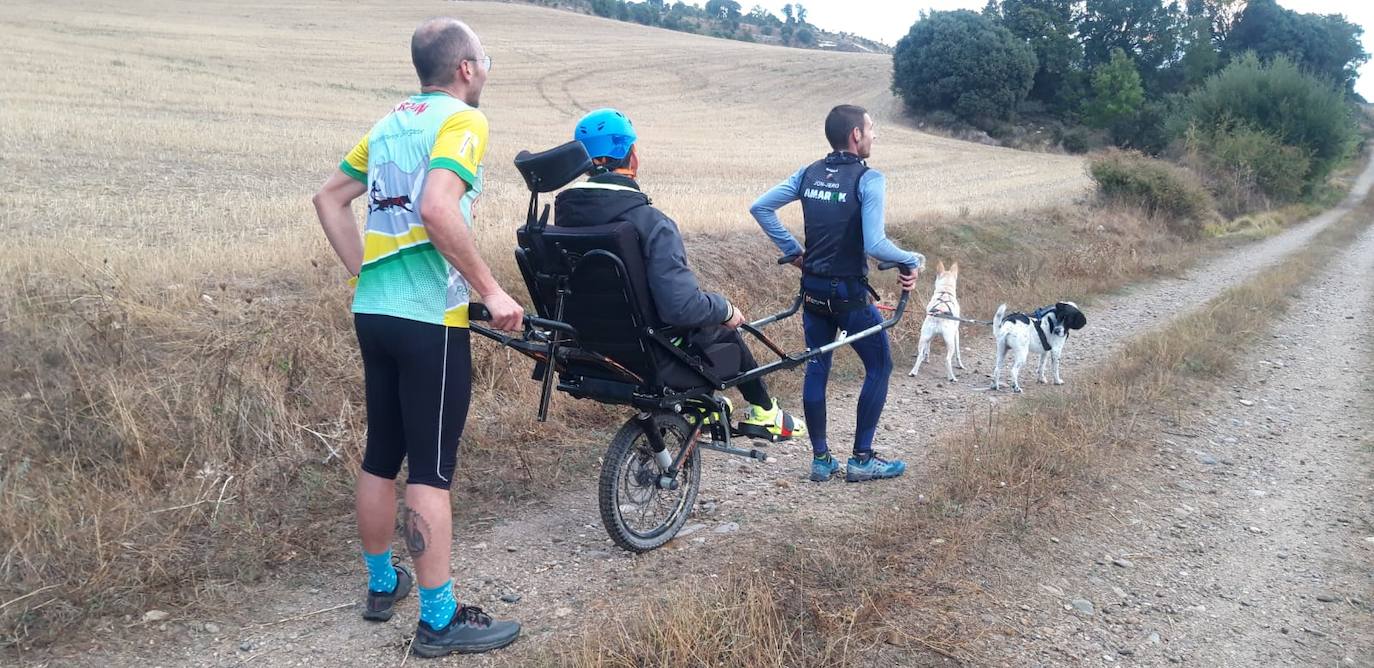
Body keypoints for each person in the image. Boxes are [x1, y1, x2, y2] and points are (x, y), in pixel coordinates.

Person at [310, 17, 520, 658]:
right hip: (428, 321)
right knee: (430, 469)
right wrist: (491, 288)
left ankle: (382, 586)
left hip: (374, 313)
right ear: (465, 68)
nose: (486, 69)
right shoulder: (463, 121)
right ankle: (438, 620)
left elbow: (328, 199)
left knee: (382, 452)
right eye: (484, 59)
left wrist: (366, 272)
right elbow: (437, 207)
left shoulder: (389, 122)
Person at [553, 108, 804, 439]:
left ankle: (703, 404)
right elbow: (680, 307)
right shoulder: (651, 222)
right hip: (654, 354)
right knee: (725, 331)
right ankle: (766, 412)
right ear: (630, 155)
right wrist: (724, 308)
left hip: (591, 351)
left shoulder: (565, 219)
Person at [749, 104, 924, 483]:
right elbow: (876, 243)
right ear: (856, 135)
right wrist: (913, 259)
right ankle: (861, 459)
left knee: (817, 365)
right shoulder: (870, 179)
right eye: (872, 128)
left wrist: (794, 252)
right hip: (849, 295)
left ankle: (822, 459)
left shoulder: (808, 173)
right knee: (880, 366)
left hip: (812, 292)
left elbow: (761, 208)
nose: (875, 135)